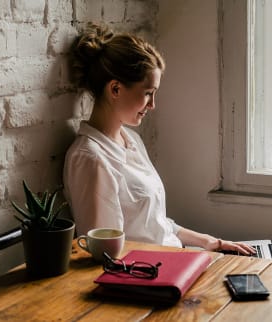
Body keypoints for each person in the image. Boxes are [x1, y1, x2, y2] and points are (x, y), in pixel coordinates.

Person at [63, 22, 255, 255]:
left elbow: (155, 223)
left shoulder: (130, 139)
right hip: (152, 274)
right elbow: (103, 254)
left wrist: (209, 242)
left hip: (174, 258)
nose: (153, 105)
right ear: (115, 89)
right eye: (147, 94)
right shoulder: (91, 158)